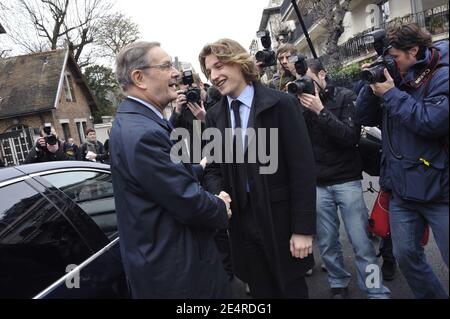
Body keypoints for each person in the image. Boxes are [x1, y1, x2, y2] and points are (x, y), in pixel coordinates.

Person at [110, 41, 232, 298]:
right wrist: (220, 206)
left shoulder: (137, 120)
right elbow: (187, 201)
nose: (176, 73)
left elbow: (159, 181)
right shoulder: (143, 133)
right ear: (139, 78)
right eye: (166, 66)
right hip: (179, 278)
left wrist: (199, 169)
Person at [199, 38, 317, 298]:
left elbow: (303, 170)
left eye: (219, 66)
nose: (214, 76)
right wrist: (219, 194)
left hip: (283, 224)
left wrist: (303, 229)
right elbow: (213, 168)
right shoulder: (215, 115)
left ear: (240, 62)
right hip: (242, 227)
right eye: (208, 71)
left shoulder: (281, 104)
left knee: (292, 292)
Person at [356, 23, 449, 299]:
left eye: (395, 57)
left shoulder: (442, 75)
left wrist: (391, 94)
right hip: (401, 188)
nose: (392, 62)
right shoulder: (393, 75)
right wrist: (373, 85)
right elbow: (363, 117)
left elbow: (432, 122)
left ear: (414, 51)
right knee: (406, 256)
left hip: (440, 188)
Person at [297, 59, 391, 299]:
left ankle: (374, 288)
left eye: (308, 79)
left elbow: (350, 137)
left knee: (361, 243)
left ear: (322, 74)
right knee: (327, 244)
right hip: (318, 183)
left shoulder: (345, 96)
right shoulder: (299, 105)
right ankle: (338, 283)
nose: (305, 85)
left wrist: (320, 110)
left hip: (346, 180)